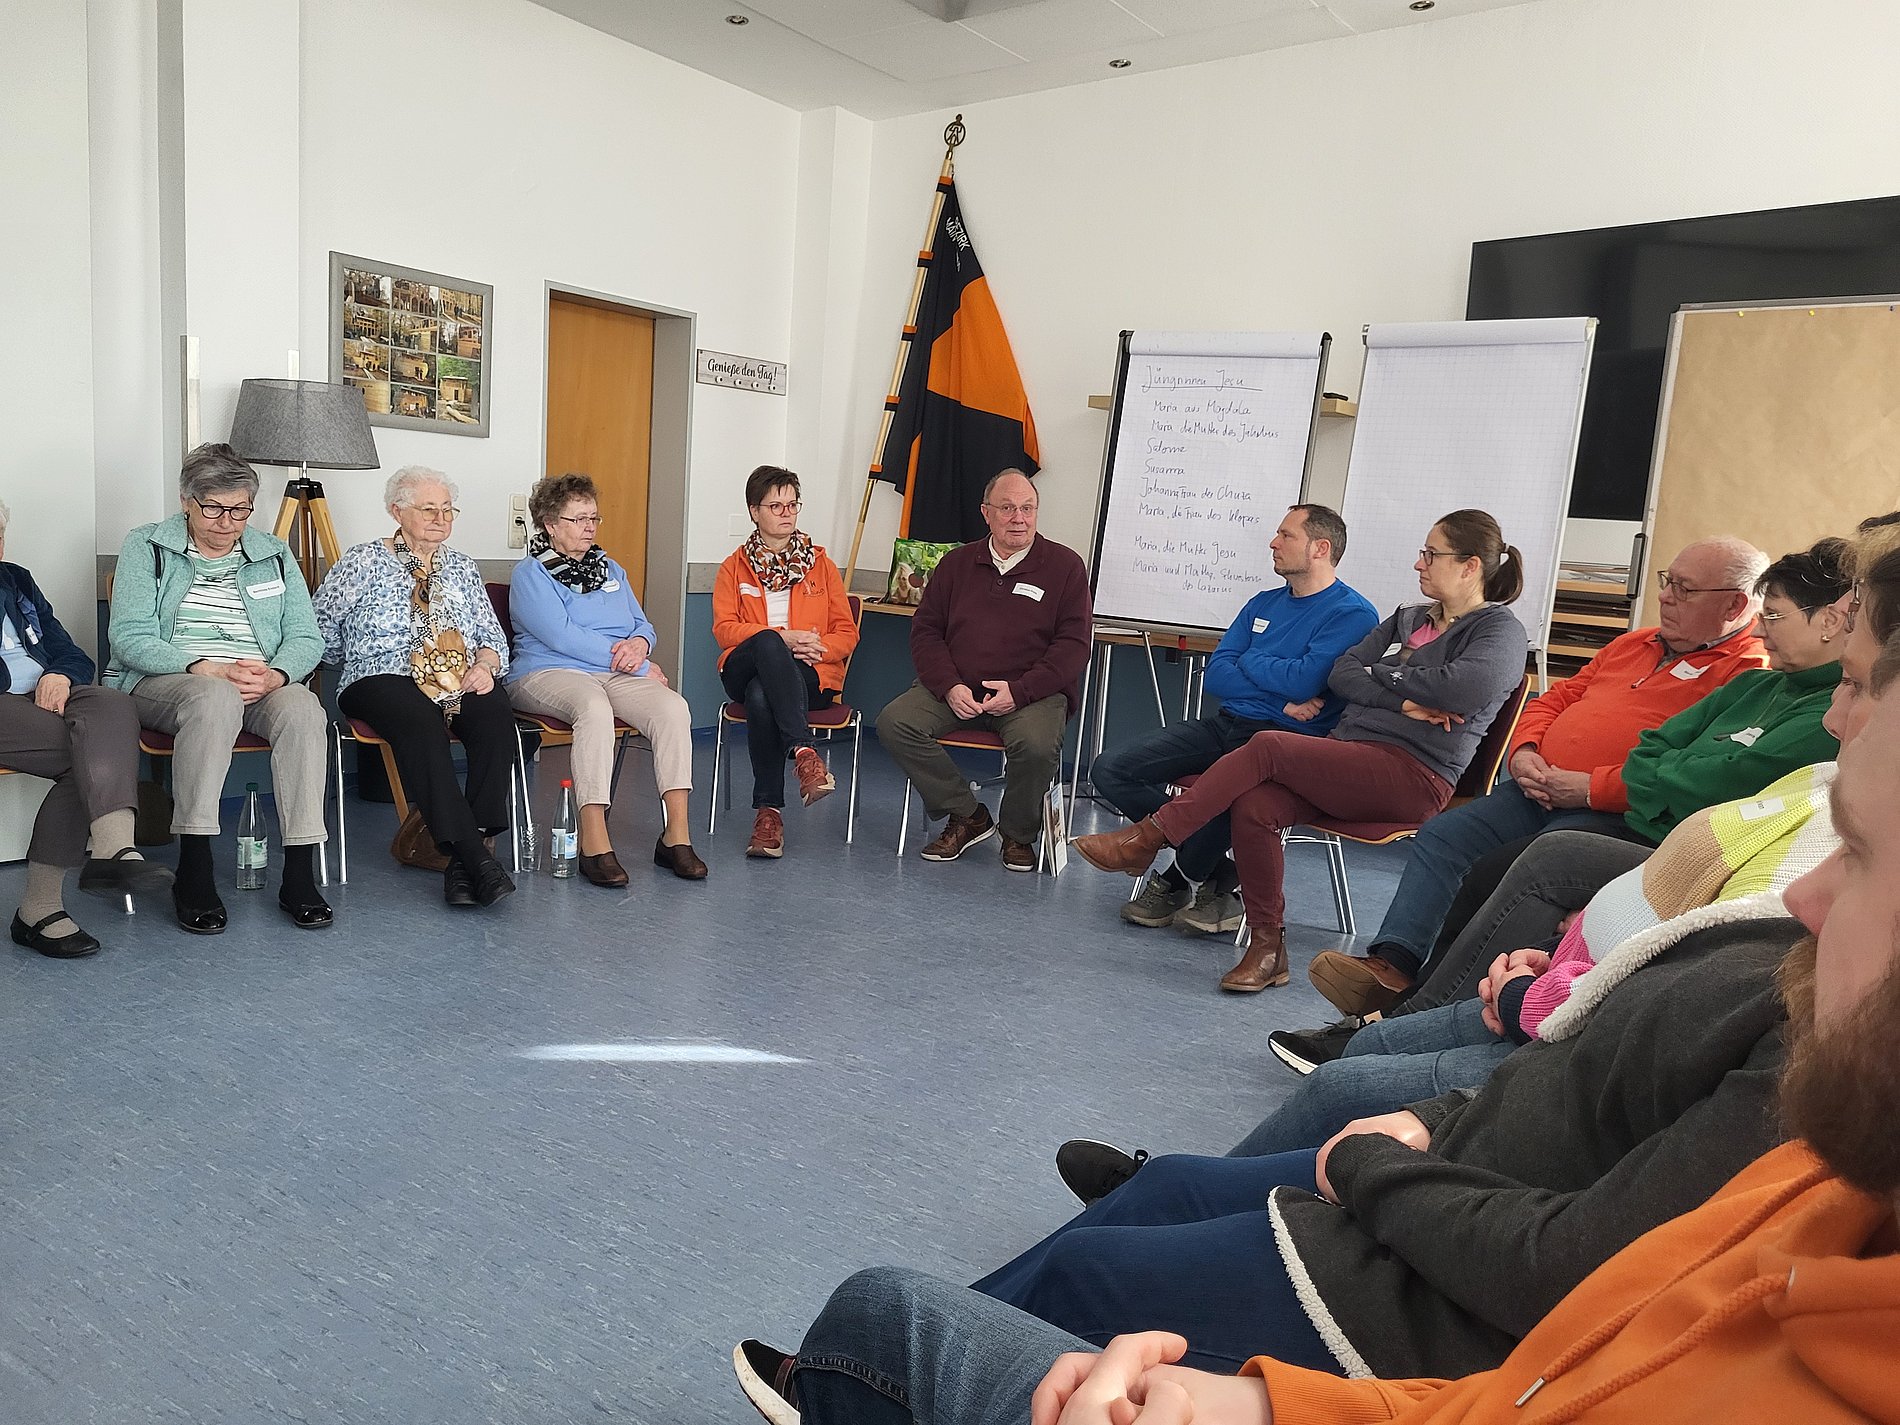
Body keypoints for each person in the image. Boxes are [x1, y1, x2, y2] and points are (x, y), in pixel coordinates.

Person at [755, 646, 1900, 1425]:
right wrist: (1259, 1404)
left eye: (1859, 857)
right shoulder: (1819, 1177)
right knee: (1180, 1162)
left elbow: (1559, 1293)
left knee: (895, 1311)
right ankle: (1281, 949)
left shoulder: (1808, 1078)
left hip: (1409, 1258)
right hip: (1460, 1158)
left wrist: (1374, 1170)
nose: (1808, 897)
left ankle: (1241, 917)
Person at [1312, 536, 1847, 1016]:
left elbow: (1706, 775)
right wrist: (1524, 751)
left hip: (1611, 810)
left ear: (1733, 605)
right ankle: (1394, 965)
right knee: (1447, 836)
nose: (1665, 597)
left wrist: (1594, 787)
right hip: (1539, 785)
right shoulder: (1635, 643)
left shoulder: (1747, 667)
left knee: (1510, 869)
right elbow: (1567, 703)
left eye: (1684, 589)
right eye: (1667, 582)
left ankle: (1433, 1005)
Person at [1072, 510, 1528, 993]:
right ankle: (1268, 949)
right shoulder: (1408, 618)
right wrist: (1406, 698)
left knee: (1267, 746)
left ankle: (1151, 837)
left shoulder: (1499, 632)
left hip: (1415, 775)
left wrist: (1380, 675)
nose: (1419, 563)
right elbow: (1342, 675)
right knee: (1256, 805)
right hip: (1347, 756)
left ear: (1469, 566)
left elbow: (1457, 689)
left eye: (1431, 554)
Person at [1091, 505, 1378, 936]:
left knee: (1235, 799)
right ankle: (1217, 873)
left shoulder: (1352, 614)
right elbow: (1217, 675)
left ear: (1320, 548)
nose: (1273, 543)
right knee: (1111, 769)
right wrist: (1281, 697)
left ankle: (1176, 880)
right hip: (1229, 722)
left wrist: (1253, 662)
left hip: (1287, 741)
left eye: (1286, 535)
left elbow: (1306, 681)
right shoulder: (1262, 602)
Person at [108, 443, 332, 934]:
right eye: (213, 508)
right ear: (186, 501)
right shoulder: (147, 545)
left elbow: (306, 636)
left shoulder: (273, 553)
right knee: (214, 697)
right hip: (170, 679)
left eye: (239, 510)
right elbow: (129, 636)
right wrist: (200, 666)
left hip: (256, 680)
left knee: (303, 708)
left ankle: (298, 872)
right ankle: (195, 866)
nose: (227, 522)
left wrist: (277, 675)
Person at [313, 466, 516, 909]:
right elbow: (320, 630)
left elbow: (492, 637)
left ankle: (466, 858)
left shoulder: (462, 567)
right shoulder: (363, 561)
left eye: (448, 510)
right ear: (397, 511)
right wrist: (357, 657)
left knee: (495, 712)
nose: (441, 519)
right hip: (380, 675)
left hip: (455, 675)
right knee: (419, 719)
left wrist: (485, 665)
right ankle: (474, 855)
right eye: (428, 509)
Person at [876, 470, 1092, 871]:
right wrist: (949, 685)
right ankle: (968, 815)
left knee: (1036, 745)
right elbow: (926, 632)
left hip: (1032, 695)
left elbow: (1074, 647)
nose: (1019, 519)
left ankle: (1018, 834)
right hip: (957, 688)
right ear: (986, 513)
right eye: (1007, 508)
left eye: (1028, 508)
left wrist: (1021, 691)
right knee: (895, 723)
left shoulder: (1065, 567)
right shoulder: (956, 564)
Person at [506, 472, 705, 885]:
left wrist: (641, 646)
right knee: (593, 708)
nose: (589, 527)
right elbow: (561, 635)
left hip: (612, 671)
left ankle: (676, 837)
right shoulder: (531, 573)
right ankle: (594, 843)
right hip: (547, 670)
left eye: (593, 518)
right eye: (578, 519)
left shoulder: (611, 569)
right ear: (550, 524)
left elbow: (641, 624)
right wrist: (637, 665)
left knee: (673, 708)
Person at [0, 498, 172, 956]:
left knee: (111, 702)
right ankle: (41, 907)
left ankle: (112, 850)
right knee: (89, 752)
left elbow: (70, 652)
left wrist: (59, 674)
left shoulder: (15, 579)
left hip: (43, 697)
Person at [713, 465, 859, 860]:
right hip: (742, 668)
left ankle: (769, 815)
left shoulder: (821, 565)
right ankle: (804, 750)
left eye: (793, 505)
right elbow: (725, 630)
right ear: (754, 511)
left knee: (762, 695)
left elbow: (847, 632)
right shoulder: (733, 568)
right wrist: (781, 638)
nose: (786, 513)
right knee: (766, 641)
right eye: (776, 506)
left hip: (807, 675)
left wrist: (819, 649)